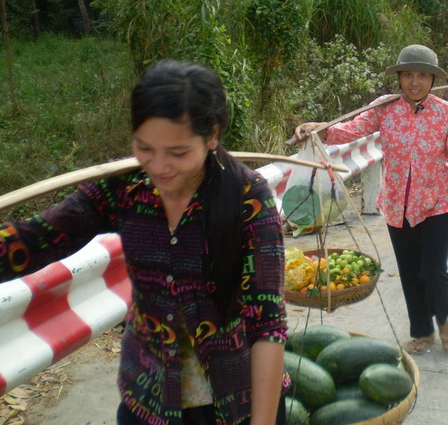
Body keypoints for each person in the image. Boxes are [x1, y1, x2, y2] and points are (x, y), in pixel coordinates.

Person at [0, 60, 289, 425]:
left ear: (212, 135)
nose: (158, 166)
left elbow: (267, 324)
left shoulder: (247, 196)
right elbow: (41, 237)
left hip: (237, 401)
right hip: (149, 399)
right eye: (144, 148)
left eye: (178, 152)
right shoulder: (124, 189)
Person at [294, 44, 448, 355]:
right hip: (395, 205)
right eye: (407, 75)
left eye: (421, 76)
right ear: (399, 78)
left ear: (432, 79)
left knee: (433, 270)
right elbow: (351, 129)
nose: (414, 82)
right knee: (408, 271)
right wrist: (319, 131)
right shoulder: (385, 107)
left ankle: (444, 319)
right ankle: (421, 330)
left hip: (436, 205)